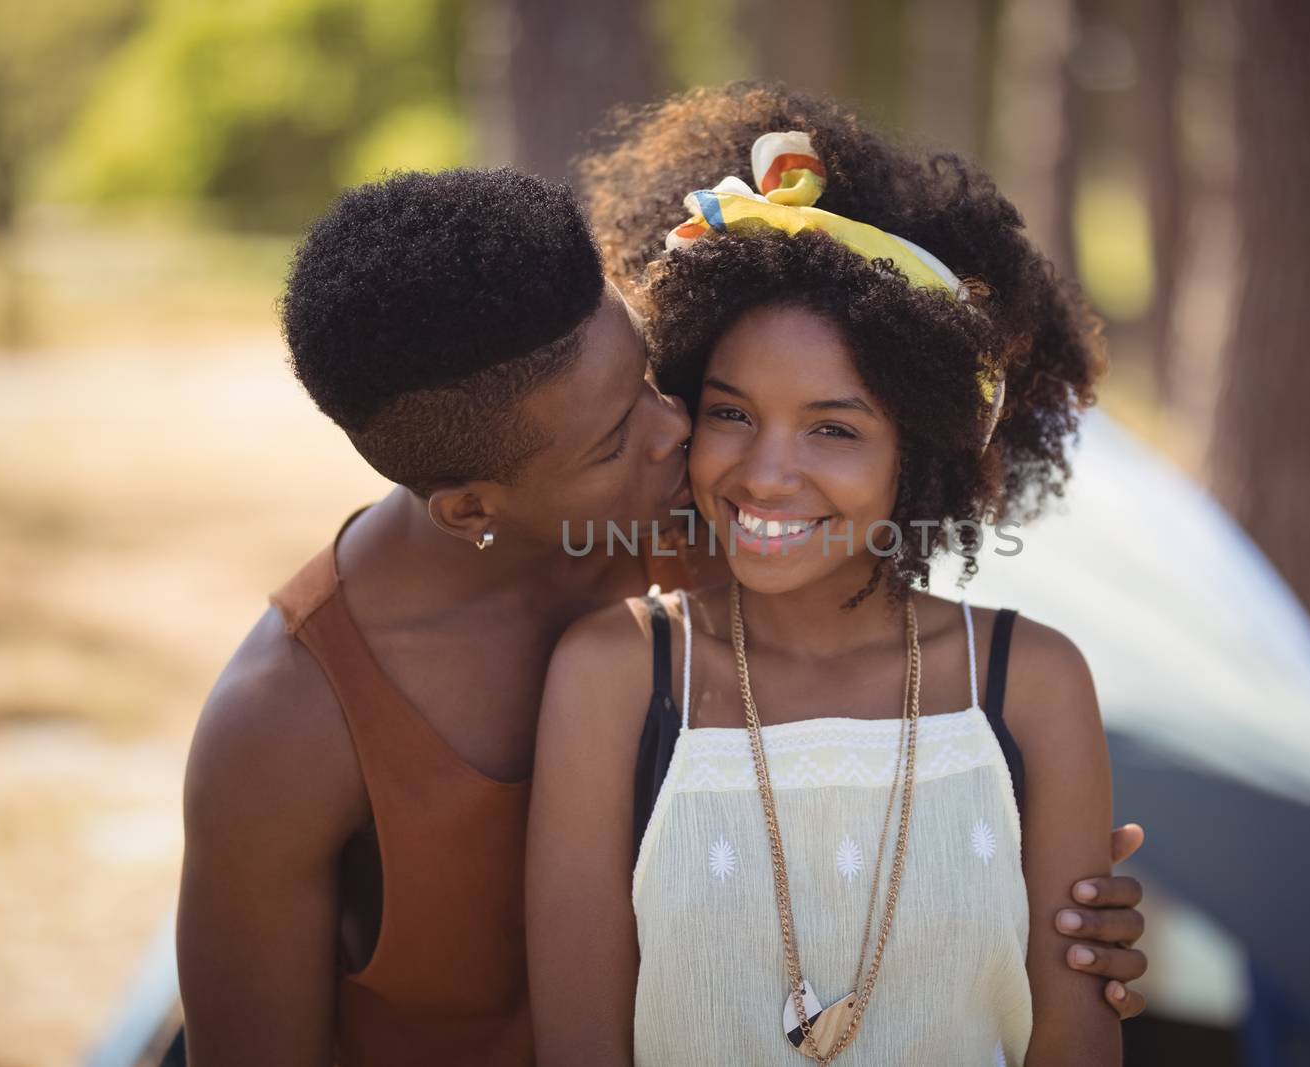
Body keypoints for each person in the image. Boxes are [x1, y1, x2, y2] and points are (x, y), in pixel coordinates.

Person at [177, 165, 1145, 1064]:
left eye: (648, 376)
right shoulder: (282, 727)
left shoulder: (726, 522)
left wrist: (1012, 873)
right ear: (473, 506)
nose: (674, 426)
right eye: (614, 437)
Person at [525, 101, 1120, 1065]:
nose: (765, 473)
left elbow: (1076, 1037)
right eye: (731, 413)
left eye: (834, 428)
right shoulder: (615, 674)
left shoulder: (1031, 683)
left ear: (920, 456)